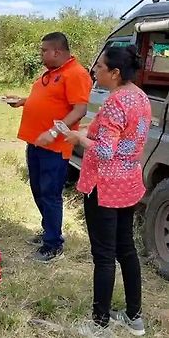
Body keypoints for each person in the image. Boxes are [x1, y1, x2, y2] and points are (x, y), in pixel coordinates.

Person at [65, 46, 150, 337]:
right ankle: (134, 317)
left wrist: (77, 136)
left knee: (103, 255)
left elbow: (104, 150)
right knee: (126, 249)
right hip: (128, 184)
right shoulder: (139, 95)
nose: (95, 70)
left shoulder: (115, 102)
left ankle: (99, 322)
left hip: (105, 186)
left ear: (114, 73)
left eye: (100, 66)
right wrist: (91, 128)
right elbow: (121, 134)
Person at [9, 32, 92, 262]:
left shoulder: (75, 73)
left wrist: (54, 131)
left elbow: (79, 109)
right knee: (38, 189)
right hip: (36, 142)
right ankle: (48, 231)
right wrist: (24, 101)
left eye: (44, 50)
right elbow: (50, 100)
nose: (41, 54)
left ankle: (53, 245)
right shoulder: (53, 73)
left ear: (57, 51)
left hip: (54, 147)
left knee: (50, 194)